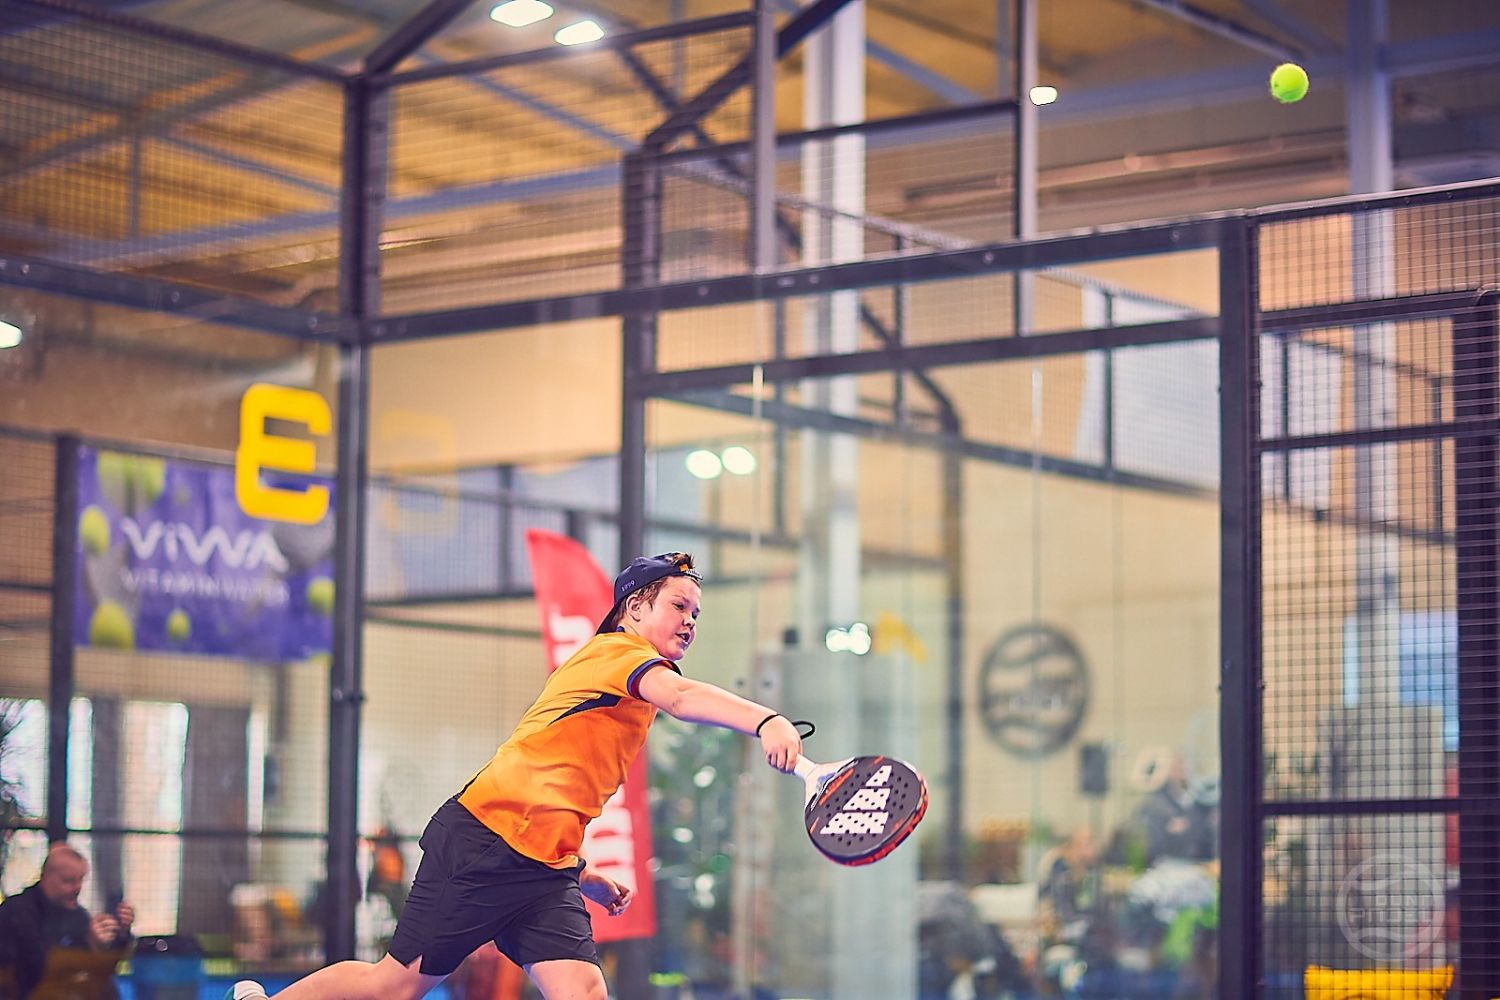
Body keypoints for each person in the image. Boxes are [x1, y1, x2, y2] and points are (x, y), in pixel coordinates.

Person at [228, 552, 803, 1000]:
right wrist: (766, 720)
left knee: (584, 991)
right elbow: (681, 696)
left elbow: (556, 790)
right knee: (394, 986)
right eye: (679, 606)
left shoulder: (631, 691)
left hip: (544, 871)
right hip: (481, 843)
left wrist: (582, 872)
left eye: (696, 613)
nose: (690, 621)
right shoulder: (617, 655)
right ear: (634, 608)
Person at [0, 842, 135, 999]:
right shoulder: (18, 912)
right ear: (46, 877)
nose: (77, 888)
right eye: (69, 880)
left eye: (81, 880)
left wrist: (117, 935)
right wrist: (86, 947)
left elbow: (101, 966)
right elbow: (36, 968)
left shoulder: (76, 915)